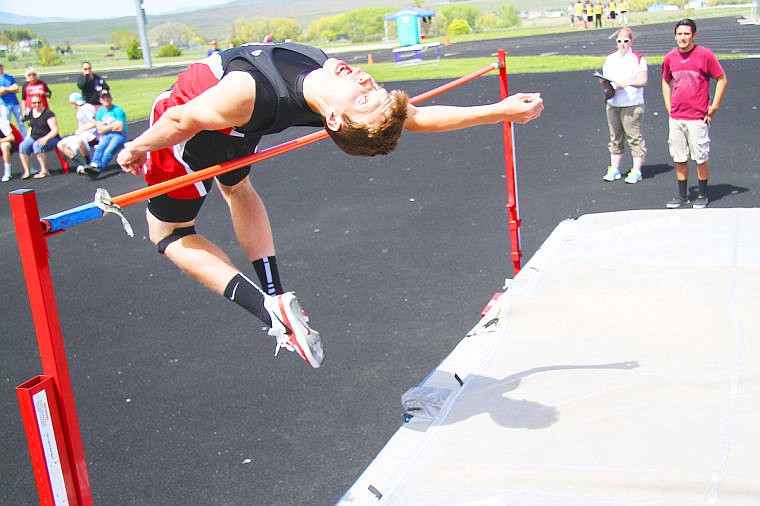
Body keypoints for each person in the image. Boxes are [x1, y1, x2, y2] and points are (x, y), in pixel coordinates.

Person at [116, 42, 543, 369]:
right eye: (371, 89)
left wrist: (138, 145)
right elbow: (411, 116)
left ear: (334, 121)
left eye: (362, 99)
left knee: (170, 234)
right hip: (232, 129)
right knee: (237, 187)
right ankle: (275, 292)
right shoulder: (324, 75)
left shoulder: (247, 92)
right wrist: (498, 110)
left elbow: (178, 121)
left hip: (188, 133)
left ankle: (264, 306)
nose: (363, 82)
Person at [661, 18, 727, 209]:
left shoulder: (704, 55)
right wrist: (668, 104)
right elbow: (665, 81)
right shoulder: (670, 58)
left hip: (697, 117)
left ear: (694, 35)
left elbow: (722, 79)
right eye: (680, 34)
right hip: (676, 117)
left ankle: (702, 193)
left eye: (687, 34)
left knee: (700, 156)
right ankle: (682, 195)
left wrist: (713, 106)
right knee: (679, 157)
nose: (683, 38)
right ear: (675, 36)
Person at [600, 27, 647, 184]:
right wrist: (606, 83)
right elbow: (605, 77)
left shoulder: (637, 58)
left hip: (631, 103)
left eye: (626, 41)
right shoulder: (611, 59)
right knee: (615, 137)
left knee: (634, 137)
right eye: (619, 41)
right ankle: (614, 168)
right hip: (614, 102)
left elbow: (643, 80)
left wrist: (625, 83)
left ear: (631, 41)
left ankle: (637, 170)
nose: (622, 44)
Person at [83, 89, 127, 176]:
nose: (106, 99)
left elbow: (120, 127)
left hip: (119, 135)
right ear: (100, 100)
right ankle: (94, 164)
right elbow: (100, 129)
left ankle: (99, 169)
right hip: (107, 134)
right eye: (104, 98)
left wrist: (106, 127)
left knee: (108, 150)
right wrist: (112, 126)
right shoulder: (100, 112)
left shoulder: (118, 110)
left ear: (111, 98)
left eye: (108, 97)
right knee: (100, 147)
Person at [19, 96, 59, 179]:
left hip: (50, 138)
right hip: (34, 137)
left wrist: (45, 138)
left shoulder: (48, 114)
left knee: (37, 145)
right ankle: (27, 171)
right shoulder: (31, 113)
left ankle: (44, 170)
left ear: (42, 102)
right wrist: (27, 137)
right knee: (23, 146)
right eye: (34, 103)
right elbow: (31, 127)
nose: (37, 105)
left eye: (38, 102)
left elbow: (55, 130)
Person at [57, 92, 97, 172]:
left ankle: (87, 163)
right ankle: (81, 164)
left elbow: (95, 123)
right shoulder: (80, 109)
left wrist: (82, 129)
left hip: (92, 134)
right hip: (83, 134)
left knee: (79, 141)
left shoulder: (87, 108)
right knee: (60, 144)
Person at [0, 61, 24, 127]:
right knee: (7, 123)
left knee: (21, 121)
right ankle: (11, 137)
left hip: (15, 103)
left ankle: (23, 136)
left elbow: (16, 88)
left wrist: (5, 89)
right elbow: (1, 92)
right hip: (4, 105)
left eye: (1, 66)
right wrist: (10, 88)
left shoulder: (9, 77)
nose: (0, 68)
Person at [0, 112, 22, 182]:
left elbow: (12, 137)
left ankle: (7, 173)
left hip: (13, 142)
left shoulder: (2, 122)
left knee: (4, 146)